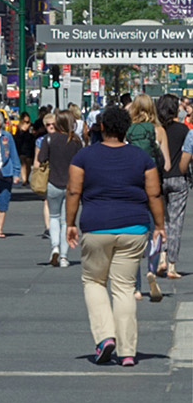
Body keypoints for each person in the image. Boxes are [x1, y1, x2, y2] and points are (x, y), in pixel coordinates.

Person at [65, 97, 166, 367]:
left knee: (94, 282)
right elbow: (154, 193)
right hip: (134, 227)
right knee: (124, 288)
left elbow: (73, 190)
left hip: (96, 225)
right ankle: (128, 351)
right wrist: (159, 226)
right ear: (127, 128)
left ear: (101, 127)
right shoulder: (141, 157)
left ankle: (105, 337)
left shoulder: (84, 156)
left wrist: (70, 223)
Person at [126, 96, 167, 297]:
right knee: (155, 231)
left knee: (134, 233)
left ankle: (136, 287)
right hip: (153, 186)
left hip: (132, 187)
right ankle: (151, 269)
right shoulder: (159, 131)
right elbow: (166, 164)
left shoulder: (128, 131)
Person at [155, 94, 188, 277]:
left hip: (158, 179)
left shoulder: (157, 130)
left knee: (161, 222)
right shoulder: (183, 130)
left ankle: (161, 257)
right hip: (177, 177)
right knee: (175, 222)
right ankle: (172, 265)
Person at [39, 114, 78, 269]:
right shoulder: (75, 141)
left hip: (53, 182)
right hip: (71, 185)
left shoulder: (49, 139)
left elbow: (41, 158)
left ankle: (54, 247)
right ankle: (64, 257)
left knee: (54, 217)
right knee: (66, 221)